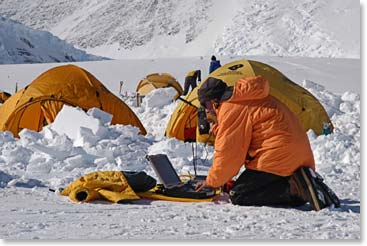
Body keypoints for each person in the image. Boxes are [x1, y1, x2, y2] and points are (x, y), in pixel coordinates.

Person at [195, 76, 340, 211]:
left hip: (277, 157)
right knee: (248, 184)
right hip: (295, 155)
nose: (206, 110)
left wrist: (212, 182)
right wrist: (217, 126)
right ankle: (297, 180)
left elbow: (229, 153)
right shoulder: (246, 98)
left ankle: (294, 190)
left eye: (204, 104)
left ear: (212, 101)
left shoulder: (231, 107)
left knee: (239, 194)